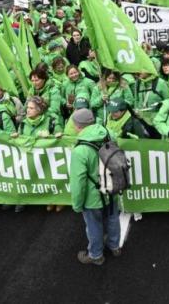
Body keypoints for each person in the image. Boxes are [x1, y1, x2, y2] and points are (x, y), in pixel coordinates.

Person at [70, 108, 121, 265]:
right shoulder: (108, 133)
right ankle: (114, 246)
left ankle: (96, 255)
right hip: (112, 187)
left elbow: (78, 181)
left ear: (78, 126)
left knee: (94, 226)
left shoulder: (80, 150)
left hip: (93, 197)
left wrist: (77, 205)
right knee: (113, 219)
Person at [15, 96, 63, 212]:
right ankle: (45, 199)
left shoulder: (51, 120)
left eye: (31, 108)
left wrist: (51, 136)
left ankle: (58, 199)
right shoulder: (23, 124)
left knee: (50, 177)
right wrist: (15, 137)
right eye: (28, 108)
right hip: (30, 156)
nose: (27, 110)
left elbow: (60, 135)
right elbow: (19, 137)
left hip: (48, 157)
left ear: (39, 110)